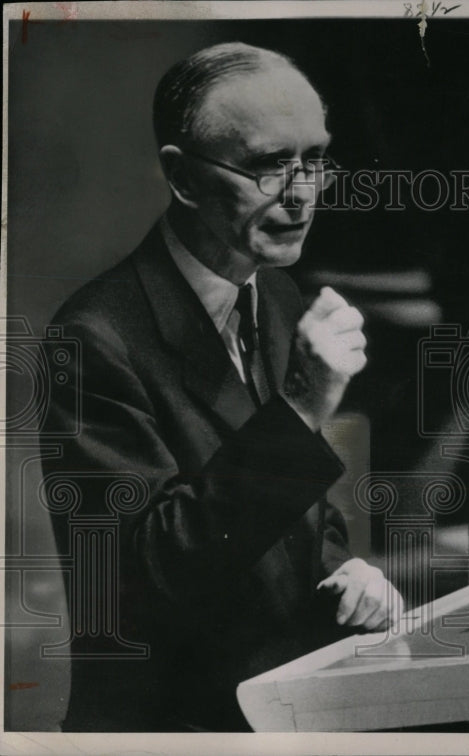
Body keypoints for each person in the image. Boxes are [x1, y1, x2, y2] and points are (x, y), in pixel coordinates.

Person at [41, 42, 401, 732]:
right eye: (267, 166)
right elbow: (145, 582)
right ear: (181, 177)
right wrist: (298, 407)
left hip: (286, 704)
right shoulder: (91, 339)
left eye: (315, 160)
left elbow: (297, 515)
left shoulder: (279, 294)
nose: (300, 195)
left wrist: (344, 571)